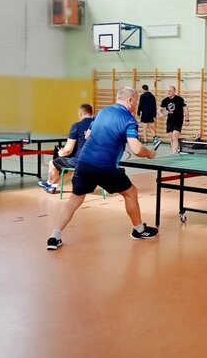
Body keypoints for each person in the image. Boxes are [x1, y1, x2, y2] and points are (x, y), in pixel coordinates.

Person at [46, 87, 159, 250]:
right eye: (135, 101)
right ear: (130, 100)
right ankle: (139, 230)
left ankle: (54, 237)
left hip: (84, 163)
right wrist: (150, 153)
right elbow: (137, 149)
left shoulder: (102, 112)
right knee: (131, 193)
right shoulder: (129, 119)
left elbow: (87, 135)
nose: (136, 105)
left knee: (74, 200)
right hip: (106, 167)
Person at [38, 104, 94, 194]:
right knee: (68, 169)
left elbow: (67, 150)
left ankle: (49, 183)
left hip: (81, 161)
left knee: (52, 163)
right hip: (97, 161)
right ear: (92, 112)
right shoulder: (98, 125)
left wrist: (61, 152)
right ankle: (53, 186)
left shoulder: (77, 126)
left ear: (80, 113)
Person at [159, 85, 189, 154]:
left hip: (178, 121)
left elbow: (186, 109)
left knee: (174, 136)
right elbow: (159, 109)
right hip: (170, 121)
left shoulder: (179, 99)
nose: (168, 92)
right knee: (171, 138)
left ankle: (174, 153)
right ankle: (174, 150)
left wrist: (187, 120)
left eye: (170, 91)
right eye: (167, 91)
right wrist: (160, 113)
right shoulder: (165, 100)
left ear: (174, 91)